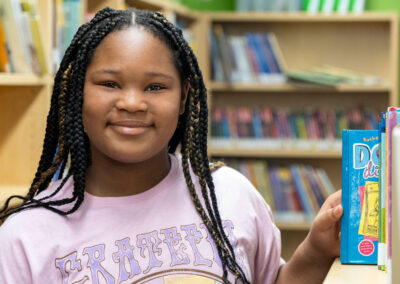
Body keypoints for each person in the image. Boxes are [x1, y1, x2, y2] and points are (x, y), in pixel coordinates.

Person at [0, 7, 343, 284]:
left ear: (184, 98)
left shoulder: (229, 194)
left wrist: (314, 251)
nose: (132, 103)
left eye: (155, 87)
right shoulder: (24, 237)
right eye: (109, 83)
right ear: (76, 94)